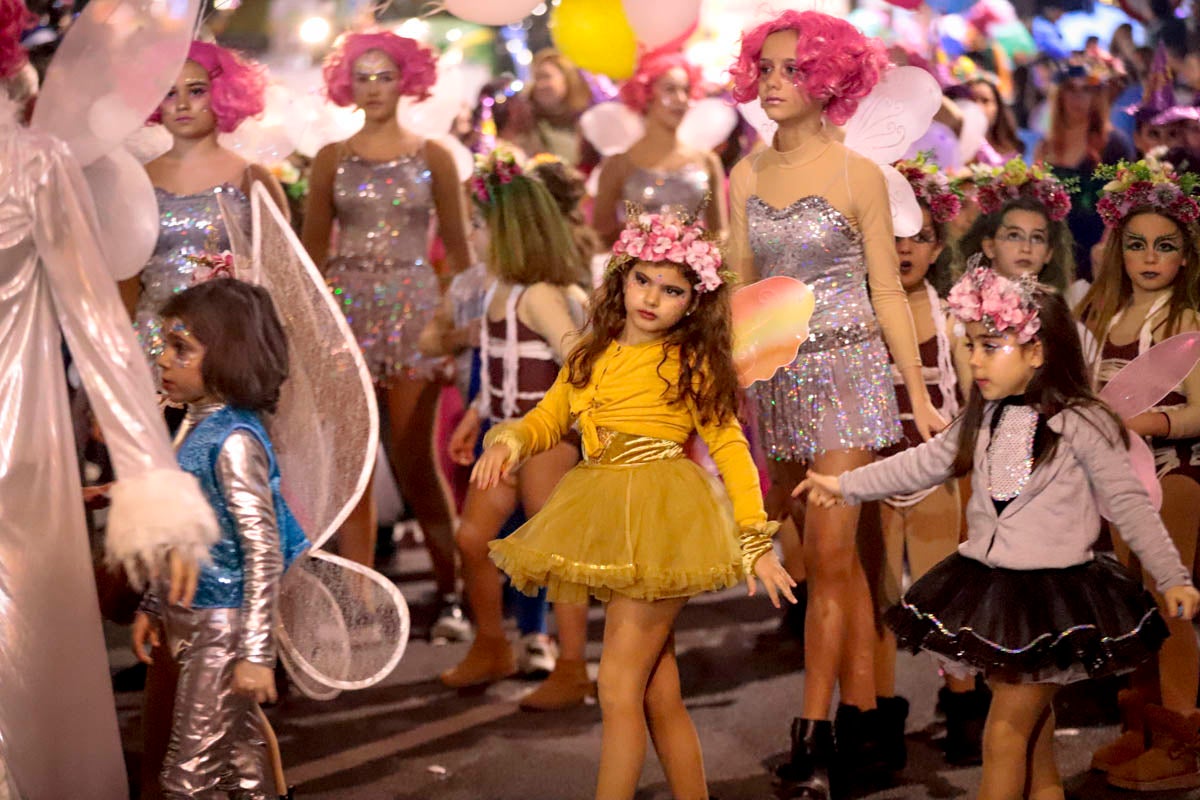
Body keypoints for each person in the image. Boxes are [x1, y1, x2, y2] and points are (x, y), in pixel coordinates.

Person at [796, 268, 1200, 800]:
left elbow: (1128, 503)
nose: (975, 359)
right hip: (996, 593)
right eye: (970, 345)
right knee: (1034, 738)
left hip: (1054, 600)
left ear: (1037, 352)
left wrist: (1171, 575)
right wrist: (846, 485)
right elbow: (924, 462)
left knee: (1004, 733)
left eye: (991, 345)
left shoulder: (1082, 421)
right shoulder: (983, 419)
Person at [475, 210, 796, 799]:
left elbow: (731, 448)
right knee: (656, 692)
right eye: (643, 280)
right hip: (606, 508)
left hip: (663, 518)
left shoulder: (689, 362)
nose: (653, 297)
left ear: (692, 303)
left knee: (619, 688)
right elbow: (549, 419)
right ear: (621, 277)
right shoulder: (588, 355)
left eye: (672, 289)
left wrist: (756, 541)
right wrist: (510, 438)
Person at [726, 12, 946, 796]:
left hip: (851, 377)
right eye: (768, 69)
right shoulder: (746, 175)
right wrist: (740, 395)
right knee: (831, 563)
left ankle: (814, 727)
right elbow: (744, 294)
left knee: (828, 556)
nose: (777, 83)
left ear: (830, 81)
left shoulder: (858, 174)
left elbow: (887, 287)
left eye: (794, 70)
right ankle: (863, 716)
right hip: (779, 382)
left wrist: (915, 393)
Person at [0, 2, 213, 794]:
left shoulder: (34, 164)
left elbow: (99, 326)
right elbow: (97, 330)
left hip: (17, 448)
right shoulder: (32, 162)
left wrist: (152, 485)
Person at [302, 31, 472, 638]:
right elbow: (311, 255)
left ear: (408, 82)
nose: (374, 87)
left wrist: (450, 329)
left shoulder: (434, 157)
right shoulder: (330, 159)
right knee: (351, 465)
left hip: (414, 318)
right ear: (349, 82)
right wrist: (314, 331)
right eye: (364, 76)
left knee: (413, 460)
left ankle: (452, 595)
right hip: (346, 316)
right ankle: (356, 601)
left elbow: (459, 254)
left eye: (386, 76)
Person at [130, 279, 308, 797]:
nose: (163, 360)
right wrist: (153, 604)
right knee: (240, 754)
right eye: (165, 345)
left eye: (180, 348)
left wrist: (256, 653)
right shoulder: (194, 425)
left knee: (188, 777)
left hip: (222, 626)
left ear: (228, 356)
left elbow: (262, 550)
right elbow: (178, 531)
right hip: (192, 616)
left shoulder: (233, 440)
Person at [440, 150, 593, 710]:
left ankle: (573, 664)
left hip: (544, 438)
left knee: (553, 551)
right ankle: (491, 643)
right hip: (501, 433)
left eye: (479, 225)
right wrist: (477, 414)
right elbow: (497, 361)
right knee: (473, 539)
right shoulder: (498, 291)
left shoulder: (541, 296)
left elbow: (577, 359)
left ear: (509, 230)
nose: (472, 236)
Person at [1077, 157, 1200, 790]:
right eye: (1137, 245)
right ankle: (1145, 729)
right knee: (1130, 606)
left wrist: (1147, 426)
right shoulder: (1099, 315)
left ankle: (1183, 739)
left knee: (1169, 600)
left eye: (1165, 246)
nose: (1150, 257)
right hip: (1110, 476)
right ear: (1117, 251)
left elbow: (1199, 411)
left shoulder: (1186, 320)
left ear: (1185, 255)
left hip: (1173, 474)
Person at [873, 158, 982, 769]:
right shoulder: (860, 310)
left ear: (938, 245)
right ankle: (878, 719)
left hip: (937, 473)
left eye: (919, 237)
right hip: (873, 472)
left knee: (944, 596)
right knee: (881, 602)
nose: (906, 249)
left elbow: (972, 397)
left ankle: (963, 706)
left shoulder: (951, 315)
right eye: (893, 235)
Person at [120, 40, 288, 364]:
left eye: (196, 91)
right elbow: (125, 281)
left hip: (226, 347)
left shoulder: (253, 179)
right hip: (151, 347)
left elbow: (281, 279)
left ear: (223, 94)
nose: (182, 104)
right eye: (170, 93)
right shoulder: (137, 181)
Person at [592, 50, 726, 247]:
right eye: (670, 89)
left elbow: (720, 232)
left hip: (697, 275)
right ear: (644, 93)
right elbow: (600, 234)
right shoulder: (618, 164)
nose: (681, 99)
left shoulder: (707, 161)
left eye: (686, 90)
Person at [1034, 62, 1135, 279]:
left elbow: (1125, 202)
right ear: (1059, 94)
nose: (1077, 99)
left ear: (1097, 95)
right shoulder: (1045, 146)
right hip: (1053, 253)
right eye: (1071, 89)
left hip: (1098, 252)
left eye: (1086, 90)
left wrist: (1105, 251)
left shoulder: (1115, 144)